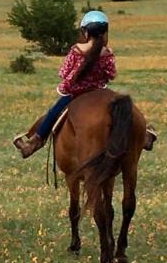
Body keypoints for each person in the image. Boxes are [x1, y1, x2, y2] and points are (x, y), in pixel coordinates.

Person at [13, 10, 116, 158]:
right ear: (105, 32)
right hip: (99, 92)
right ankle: (144, 133)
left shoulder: (76, 50)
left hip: (75, 94)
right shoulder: (108, 53)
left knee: (53, 113)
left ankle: (33, 143)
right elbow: (111, 74)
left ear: (85, 32)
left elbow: (63, 73)